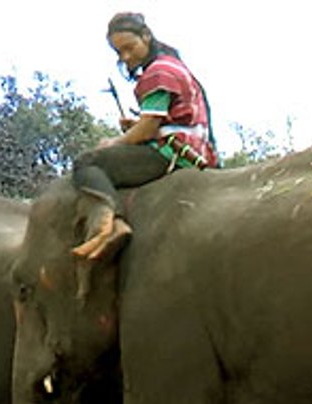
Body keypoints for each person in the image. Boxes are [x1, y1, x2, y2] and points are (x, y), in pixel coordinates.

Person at [71, 12, 219, 260]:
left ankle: (111, 222)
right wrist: (137, 126)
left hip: (172, 154)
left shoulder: (158, 72)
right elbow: (166, 119)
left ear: (146, 36)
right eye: (119, 53)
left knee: (88, 163)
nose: (126, 57)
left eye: (129, 47)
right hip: (194, 150)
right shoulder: (174, 66)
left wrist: (114, 142)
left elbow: (149, 128)